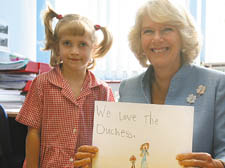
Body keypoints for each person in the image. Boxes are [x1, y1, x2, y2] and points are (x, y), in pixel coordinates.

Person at [118, 0, 225, 167]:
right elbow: (121, 151)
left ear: (184, 36)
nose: (157, 38)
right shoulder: (127, 88)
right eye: (148, 31)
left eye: (167, 29)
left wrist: (218, 164)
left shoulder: (217, 85)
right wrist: (96, 157)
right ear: (139, 40)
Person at [16, 6, 114, 168]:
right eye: (67, 43)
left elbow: (109, 139)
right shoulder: (42, 84)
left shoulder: (103, 91)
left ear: (93, 48)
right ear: (57, 47)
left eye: (82, 44)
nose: (74, 51)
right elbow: (33, 133)